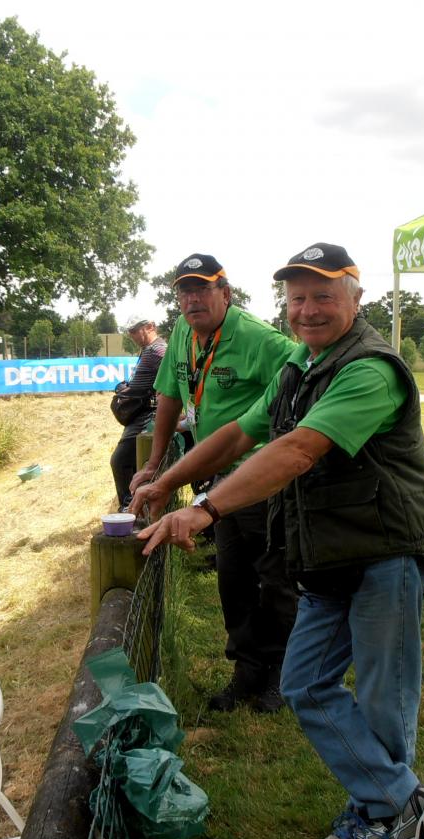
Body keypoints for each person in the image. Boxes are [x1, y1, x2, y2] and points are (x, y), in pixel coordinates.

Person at [134, 243, 424, 839]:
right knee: (305, 683)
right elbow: (238, 436)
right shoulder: (298, 368)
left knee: (384, 700)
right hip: (327, 554)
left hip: (386, 551)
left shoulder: (371, 370)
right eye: (297, 297)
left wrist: (208, 509)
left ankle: (378, 813)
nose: (307, 310)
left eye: (323, 296)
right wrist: (168, 481)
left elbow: (299, 449)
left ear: (356, 300)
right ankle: (404, 800)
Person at [130, 253, 298, 713]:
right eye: (184, 291)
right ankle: (246, 669)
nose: (191, 299)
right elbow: (168, 395)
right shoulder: (184, 333)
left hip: (260, 480)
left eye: (202, 289)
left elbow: (303, 385)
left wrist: (282, 452)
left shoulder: (263, 341)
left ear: (226, 292)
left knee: (276, 579)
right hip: (214, 479)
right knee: (232, 577)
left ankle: (282, 674)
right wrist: (157, 463)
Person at [109, 316, 167, 510]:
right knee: (132, 464)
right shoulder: (147, 350)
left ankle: (128, 508)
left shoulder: (158, 350)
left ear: (150, 326)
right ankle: (136, 507)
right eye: (129, 331)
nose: (131, 335)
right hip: (139, 414)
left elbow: (172, 379)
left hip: (147, 416)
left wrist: (162, 406)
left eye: (135, 330)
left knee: (120, 461)